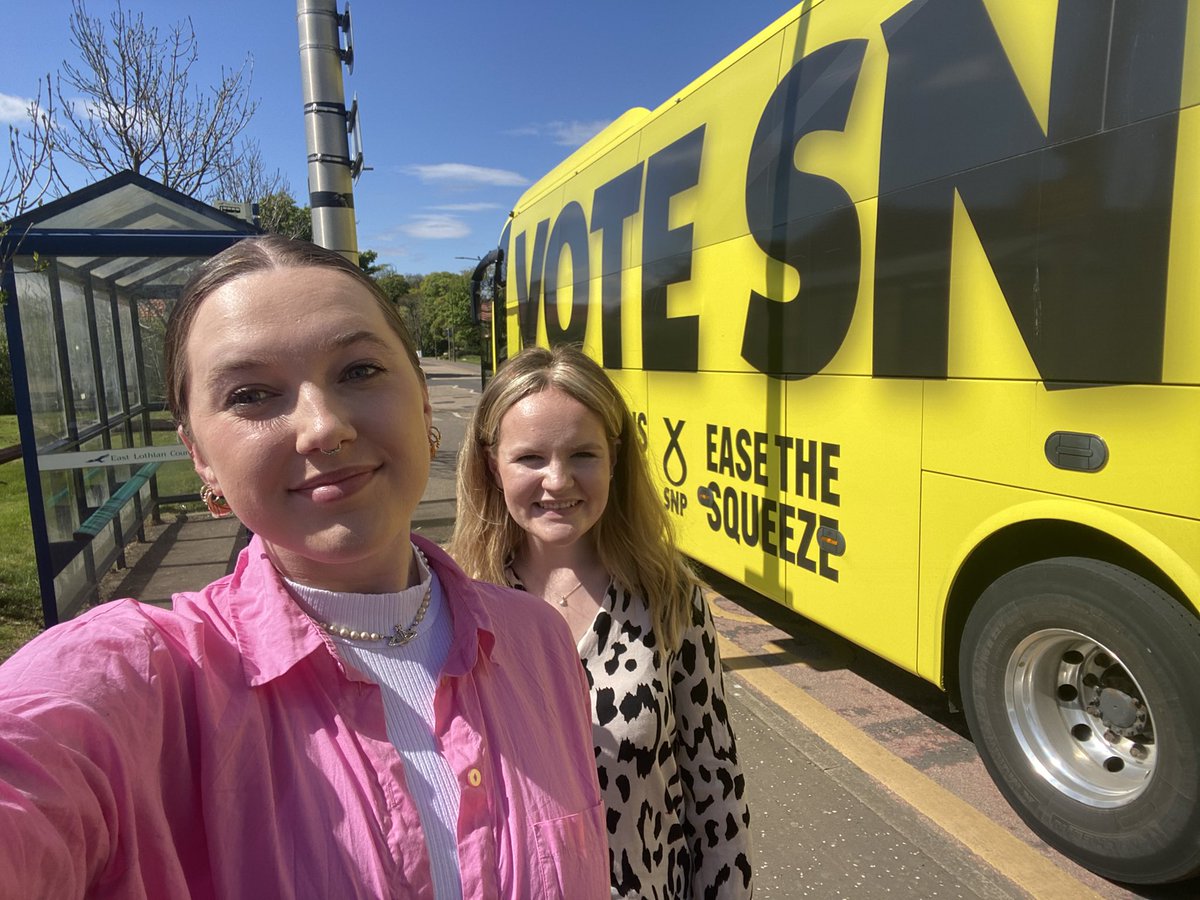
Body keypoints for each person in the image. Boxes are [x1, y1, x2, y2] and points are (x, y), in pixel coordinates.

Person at [0, 236, 609, 899]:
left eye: (359, 371)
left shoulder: (539, 642)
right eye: (252, 394)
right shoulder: (149, 684)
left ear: (424, 401)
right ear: (200, 455)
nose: (323, 427)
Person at [450, 345, 753, 899]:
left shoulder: (668, 597)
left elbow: (715, 784)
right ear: (493, 465)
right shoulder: (454, 605)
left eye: (583, 455)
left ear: (615, 458)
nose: (558, 481)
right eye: (531, 458)